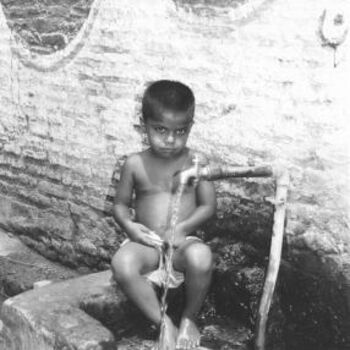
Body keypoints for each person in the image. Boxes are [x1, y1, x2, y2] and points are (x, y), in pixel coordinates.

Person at [111, 80, 216, 350]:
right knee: (122, 264)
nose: (171, 140)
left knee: (202, 256)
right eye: (160, 130)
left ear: (191, 126)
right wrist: (131, 227)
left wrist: (183, 228)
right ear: (143, 124)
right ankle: (163, 323)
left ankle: (188, 318)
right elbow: (120, 205)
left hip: (182, 245)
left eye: (180, 131)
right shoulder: (134, 163)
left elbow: (208, 206)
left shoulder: (195, 162)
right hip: (147, 245)